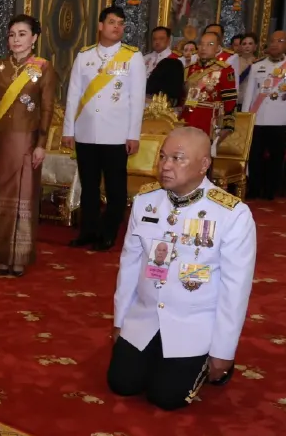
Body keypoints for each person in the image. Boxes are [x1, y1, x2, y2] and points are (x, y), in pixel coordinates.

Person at [109, 127, 256, 410]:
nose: (165, 165)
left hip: (194, 324)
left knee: (166, 397)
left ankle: (208, 363)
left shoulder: (231, 214)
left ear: (204, 165)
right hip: (147, 317)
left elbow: (234, 290)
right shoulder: (145, 202)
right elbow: (129, 266)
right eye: (163, 156)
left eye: (178, 159)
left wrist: (222, 351)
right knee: (122, 383)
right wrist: (120, 322)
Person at [0, 14, 55, 277]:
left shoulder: (43, 68)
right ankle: (0, 255)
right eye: (12, 34)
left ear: (34, 38)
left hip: (26, 143)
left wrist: (41, 144)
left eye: (22, 34)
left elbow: (46, 109)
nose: (16, 39)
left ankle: (19, 256)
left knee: (23, 197)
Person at [62, 6, 145, 252]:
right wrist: (69, 130)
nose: (116, 27)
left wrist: (133, 134)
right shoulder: (84, 56)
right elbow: (73, 95)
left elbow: (137, 99)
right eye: (111, 22)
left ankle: (108, 233)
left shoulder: (132, 57)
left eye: (120, 23)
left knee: (115, 188)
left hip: (116, 134)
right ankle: (88, 231)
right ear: (100, 26)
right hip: (86, 132)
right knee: (88, 186)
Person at [243, 30, 286, 200]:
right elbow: (250, 94)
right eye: (273, 40)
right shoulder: (257, 65)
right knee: (255, 156)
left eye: (280, 41)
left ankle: (270, 190)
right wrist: (247, 117)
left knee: (276, 157)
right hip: (258, 117)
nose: (275, 44)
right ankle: (254, 188)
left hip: (280, 118)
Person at [182, 31, 237, 141]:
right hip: (187, 120)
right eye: (201, 44)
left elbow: (230, 101)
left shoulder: (225, 70)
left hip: (210, 123)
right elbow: (182, 98)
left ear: (218, 48)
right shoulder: (189, 69)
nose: (204, 48)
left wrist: (227, 126)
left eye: (210, 44)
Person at [146, 27, 185, 106]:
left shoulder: (177, 59)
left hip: (163, 103)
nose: (157, 42)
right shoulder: (145, 58)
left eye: (161, 39)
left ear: (168, 40)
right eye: (154, 39)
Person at [236, 32, 259, 110]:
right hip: (237, 101)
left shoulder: (259, 63)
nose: (247, 46)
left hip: (252, 102)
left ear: (255, 47)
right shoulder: (234, 62)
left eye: (250, 44)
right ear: (240, 47)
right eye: (244, 44)